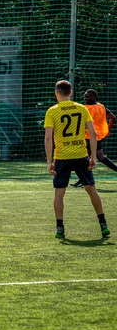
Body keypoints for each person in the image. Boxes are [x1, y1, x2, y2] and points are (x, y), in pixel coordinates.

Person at [44, 80, 110, 239]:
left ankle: (60, 228)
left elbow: (48, 138)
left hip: (62, 157)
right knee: (91, 190)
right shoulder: (82, 108)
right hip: (81, 155)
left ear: (56, 93)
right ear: (71, 93)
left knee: (59, 193)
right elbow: (93, 134)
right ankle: (103, 224)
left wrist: (49, 162)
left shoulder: (52, 111)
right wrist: (93, 156)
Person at [71, 89, 117, 187]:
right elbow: (112, 117)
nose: (85, 98)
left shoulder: (85, 108)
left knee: (87, 159)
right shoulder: (101, 106)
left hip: (88, 136)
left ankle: (84, 181)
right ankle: (82, 181)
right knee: (98, 157)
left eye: (87, 96)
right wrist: (106, 129)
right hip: (98, 135)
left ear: (93, 97)